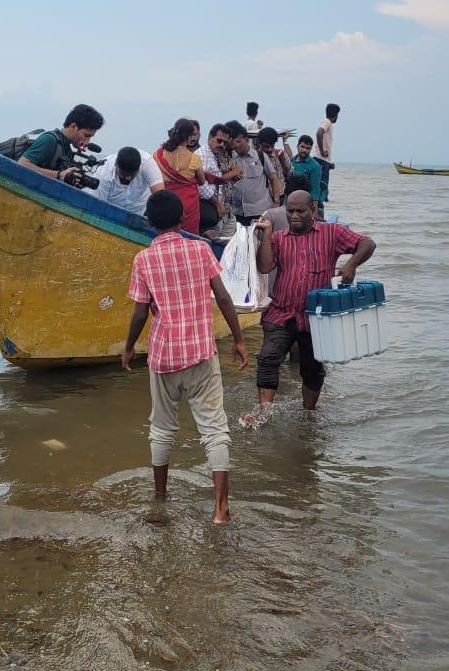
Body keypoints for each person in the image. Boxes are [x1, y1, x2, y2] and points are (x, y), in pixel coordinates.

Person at [124, 190, 249, 524]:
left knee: (162, 428)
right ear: (182, 219)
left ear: (149, 223)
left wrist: (128, 347)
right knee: (214, 429)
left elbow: (139, 313)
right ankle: (221, 508)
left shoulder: (143, 259)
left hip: (163, 356)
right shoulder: (200, 248)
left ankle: (160, 497)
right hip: (200, 355)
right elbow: (222, 297)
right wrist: (238, 339)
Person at [241, 190, 375, 426]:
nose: (294, 216)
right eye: (289, 211)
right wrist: (268, 235)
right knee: (268, 359)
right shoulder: (280, 238)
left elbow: (367, 243)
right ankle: (264, 413)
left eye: (300, 211)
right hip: (281, 311)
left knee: (312, 368)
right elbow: (264, 267)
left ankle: (309, 413)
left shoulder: (331, 233)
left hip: (316, 316)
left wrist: (351, 264)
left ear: (312, 209)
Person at [19, 104, 105, 183]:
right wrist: (59, 175)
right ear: (73, 126)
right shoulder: (49, 140)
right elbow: (22, 164)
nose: (88, 141)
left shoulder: (67, 148)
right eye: (86, 136)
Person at [153, 118, 207, 235]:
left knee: (163, 237)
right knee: (188, 239)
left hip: (164, 204)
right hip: (187, 207)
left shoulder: (158, 155)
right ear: (188, 137)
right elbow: (202, 181)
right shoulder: (194, 158)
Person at [86, 147, 164, 214]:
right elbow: (96, 207)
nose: (128, 178)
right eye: (123, 174)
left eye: (132, 175)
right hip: (109, 213)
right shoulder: (103, 173)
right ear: (116, 164)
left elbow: (161, 196)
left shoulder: (147, 163)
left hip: (141, 212)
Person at [199, 123, 242, 238]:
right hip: (209, 209)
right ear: (210, 138)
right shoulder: (202, 155)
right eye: (219, 141)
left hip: (225, 210)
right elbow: (201, 185)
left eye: (224, 143)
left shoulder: (218, 155)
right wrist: (217, 203)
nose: (222, 145)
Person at [228, 121, 275, 226]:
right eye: (234, 143)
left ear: (246, 139)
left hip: (260, 211)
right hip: (237, 212)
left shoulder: (260, 156)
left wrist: (276, 203)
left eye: (239, 141)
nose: (237, 145)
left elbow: (273, 178)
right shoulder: (230, 158)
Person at [313, 103, 340, 215]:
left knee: (322, 185)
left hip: (323, 161)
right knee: (321, 186)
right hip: (320, 159)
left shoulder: (328, 123)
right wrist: (322, 151)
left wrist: (329, 164)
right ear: (336, 115)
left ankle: (319, 209)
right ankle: (318, 212)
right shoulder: (327, 122)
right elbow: (319, 133)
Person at [290, 134, 323, 208]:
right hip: (289, 201)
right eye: (302, 147)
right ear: (297, 146)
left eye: (308, 148)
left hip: (304, 203)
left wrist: (314, 213)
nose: (304, 150)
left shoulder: (315, 166)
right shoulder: (291, 161)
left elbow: (315, 191)